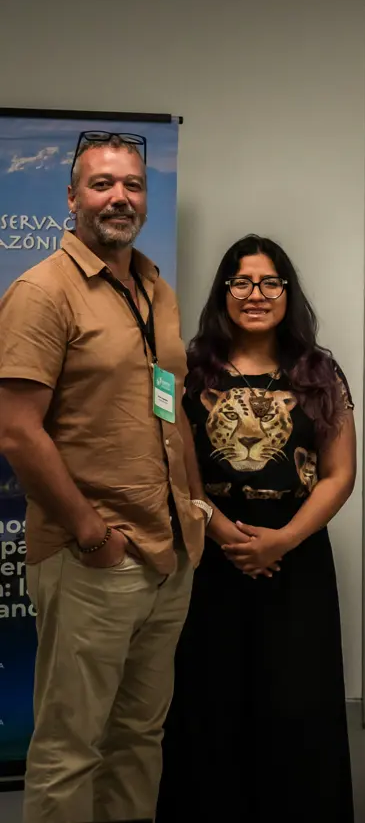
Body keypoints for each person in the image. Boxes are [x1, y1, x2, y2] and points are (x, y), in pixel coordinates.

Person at [0, 131, 214, 823]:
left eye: (132, 185)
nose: (119, 198)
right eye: (101, 184)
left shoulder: (155, 289)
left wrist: (197, 507)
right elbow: (16, 431)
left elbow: (169, 405)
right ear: (71, 198)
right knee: (70, 747)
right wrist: (92, 534)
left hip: (168, 552)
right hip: (94, 557)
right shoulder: (41, 293)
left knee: (138, 739)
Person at [156, 235, 356, 822]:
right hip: (208, 554)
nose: (256, 295)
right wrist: (224, 535)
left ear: (287, 294)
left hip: (297, 555)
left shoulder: (320, 371)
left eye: (270, 283)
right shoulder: (185, 370)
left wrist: (283, 540)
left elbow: (339, 475)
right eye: (241, 283)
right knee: (209, 702)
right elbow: (171, 466)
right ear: (223, 293)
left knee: (298, 704)